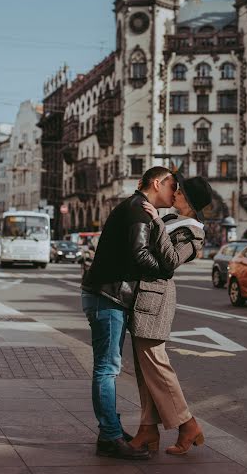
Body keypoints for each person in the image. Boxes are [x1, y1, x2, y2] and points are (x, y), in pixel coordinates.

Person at [81, 166, 177, 460]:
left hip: (108, 294)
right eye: (172, 186)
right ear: (157, 183)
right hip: (106, 296)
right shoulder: (138, 211)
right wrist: (165, 269)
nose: (174, 193)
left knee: (108, 368)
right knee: (107, 369)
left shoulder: (135, 207)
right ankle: (110, 437)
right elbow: (139, 254)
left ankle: (109, 430)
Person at [129, 174, 213, 455]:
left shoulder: (194, 231)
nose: (174, 191)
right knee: (146, 370)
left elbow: (171, 261)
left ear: (188, 200)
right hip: (143, 297)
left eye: (180, 190)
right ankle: (147, 430)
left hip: (156, 300)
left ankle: (188, 424)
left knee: (157, 365)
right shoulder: (170, 220)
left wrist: (154, 222)